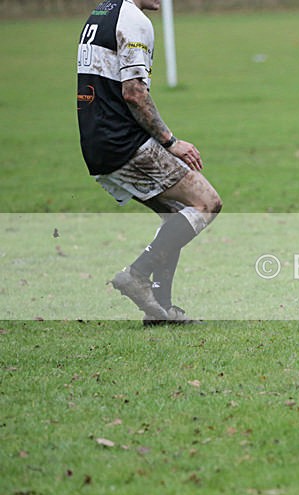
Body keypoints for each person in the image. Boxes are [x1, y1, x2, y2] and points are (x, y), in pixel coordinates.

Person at [77, 0, 221, 325]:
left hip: (96, 141)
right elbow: (134, 93)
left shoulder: (101, 13)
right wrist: (171, 142)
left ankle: (160, 310)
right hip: (124, 141)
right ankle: (138, 274)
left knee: (174, 216)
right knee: (206, 203)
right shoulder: (133, 19)